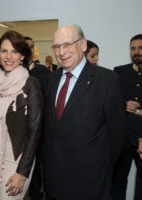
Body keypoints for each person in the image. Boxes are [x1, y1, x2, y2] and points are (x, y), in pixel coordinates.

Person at [42, 25, 127, 200]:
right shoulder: (50, 80)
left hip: (90, 181)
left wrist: (98, 167)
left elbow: (118, 135)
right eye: (56, 47)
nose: (61, 52)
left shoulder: (107, 80)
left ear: (83, 45)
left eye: (67, 44)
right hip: (54, 181)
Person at [0, 30, 42, 200]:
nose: (9, 56)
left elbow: (35, 131)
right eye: (4, 51)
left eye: (14, 51)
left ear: (22, 55)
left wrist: (22, 173)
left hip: (16, 159)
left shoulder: (31, 84)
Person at [112, 34, 142, 200]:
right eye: (132, 48)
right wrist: (123, 105)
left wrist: (137, 110)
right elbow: (111, 102)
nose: (136, 52)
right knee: (117, 182)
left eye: (140, 48)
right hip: (122, 139)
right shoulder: (119, 72)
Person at [24, 36, 49, 200]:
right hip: (15, 131)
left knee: (35, 172)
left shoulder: (43, 72)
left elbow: (47, 101)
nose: (30, 50)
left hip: (37, 130)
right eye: (26, 47)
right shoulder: (9, 71)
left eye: (32, 47)